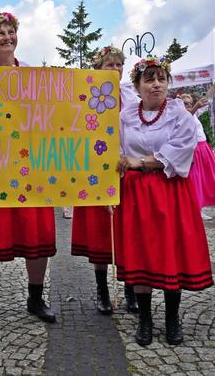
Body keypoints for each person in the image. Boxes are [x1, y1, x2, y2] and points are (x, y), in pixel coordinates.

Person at [116, 56, 213, 347]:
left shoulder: (179, 113)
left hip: (170, 192)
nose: (156, 84)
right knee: (141, 253)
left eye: (161, 79)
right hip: (136, 195)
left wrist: (140, 162)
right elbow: (118, 153)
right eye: (149, 79)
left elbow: (181, 150)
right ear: (137, 86)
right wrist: (120, 169)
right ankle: (145, 319)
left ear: (168, 83)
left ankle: (172, 318)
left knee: (171, 252)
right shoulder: (126, 117)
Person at [0, 12, 56, 324]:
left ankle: (35, 297)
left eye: (10, 32)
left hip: (30, 168)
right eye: (0, 33)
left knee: (37, 232)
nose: (7, 37)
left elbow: (51, 118)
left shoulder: (35, 76)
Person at [71, 46, 138, 315]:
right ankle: (102, 290)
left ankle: (131, 288)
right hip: (96, 174)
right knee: (101, 234)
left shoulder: (132, 98)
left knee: (128, 232)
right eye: (108, 65)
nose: (114, 70)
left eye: (118, 65)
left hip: (126, 173)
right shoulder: (86, 97)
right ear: (97, 70)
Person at [179, 87, 215, 221]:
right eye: (184, 103)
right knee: (194, 180)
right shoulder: (179, 115)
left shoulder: (194, 113)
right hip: (192, 151)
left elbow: (206, 99)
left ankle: (199, 208)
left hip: (203, 148)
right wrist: (194, 107)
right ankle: (195, 209)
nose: (188, 105)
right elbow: (186, 117)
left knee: (204, 180)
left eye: (189, 103)